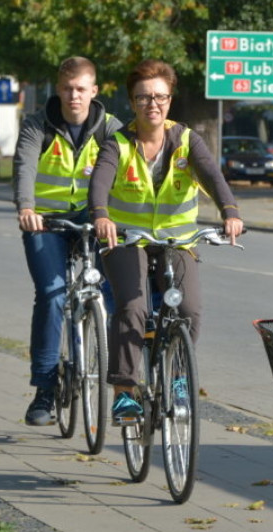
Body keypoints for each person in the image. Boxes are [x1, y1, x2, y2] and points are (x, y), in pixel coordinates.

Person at [89, 59, 243, 423]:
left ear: (170, 100)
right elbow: (100, 181)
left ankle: (177, 377)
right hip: (127, 239)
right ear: (132, 102)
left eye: (160, 96)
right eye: (144, 97)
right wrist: (101, 215)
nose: (152, 104)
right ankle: (125, 392)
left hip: (178, 239)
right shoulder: (118, 143)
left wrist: (230, 211)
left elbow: (212, 175)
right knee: (133, 307)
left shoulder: (186, 141)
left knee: (189, 309)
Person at [13, 56, 123, 427]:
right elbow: (25, 166)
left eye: (81, 89)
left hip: (95, 220)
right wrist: (27, 207)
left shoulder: (111, 128)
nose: (74, 96)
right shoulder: (37, 125)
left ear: (94, 91)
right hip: (46, 221)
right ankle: (44, 389)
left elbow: (128, 170)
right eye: (67, 88)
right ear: (58, 90)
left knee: (116, 294)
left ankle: (123, 383)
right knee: (52, 294)